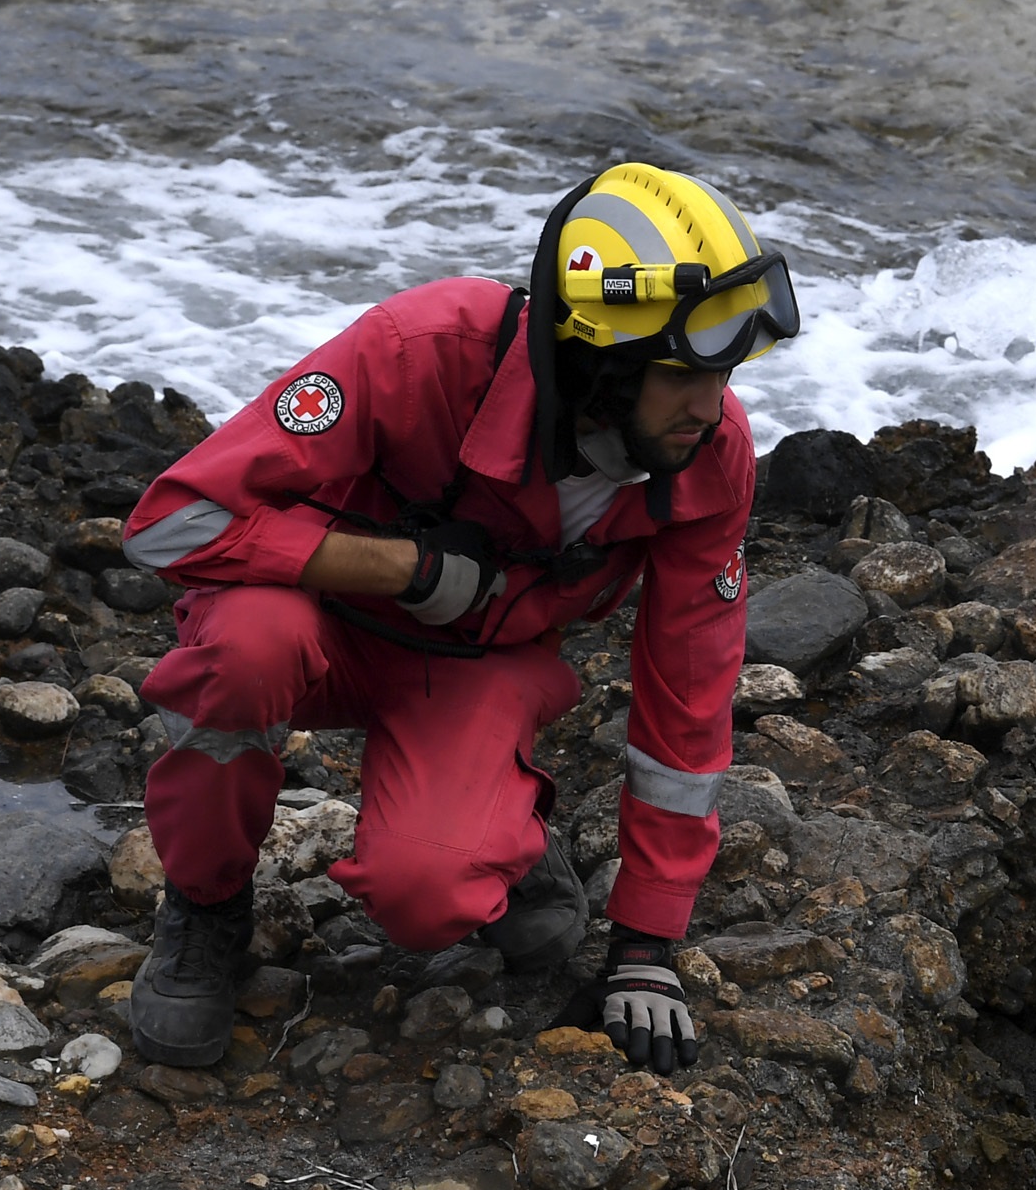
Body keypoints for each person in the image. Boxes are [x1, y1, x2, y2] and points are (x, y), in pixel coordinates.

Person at [110, 162, 799, 1078]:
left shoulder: (709, 454)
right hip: (313, 630)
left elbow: (689, 697)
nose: (710, 409)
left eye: (723, 373)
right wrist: (403, 565)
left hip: (474, 670)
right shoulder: (419, 348)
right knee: (245, 646)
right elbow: (170, 525)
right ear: (596, 358)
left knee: (426, 896)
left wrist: (645, 944)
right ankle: (204, 908)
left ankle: (507, 840)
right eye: (680, 376)